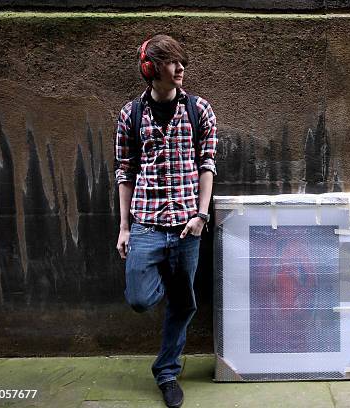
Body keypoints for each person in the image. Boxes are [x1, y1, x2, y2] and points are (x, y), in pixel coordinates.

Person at [114, 34, 218, 408]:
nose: (181, 69)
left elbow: (207, 165)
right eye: (172, 63)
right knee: (141, 299)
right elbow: (124, 172)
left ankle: (167, 372)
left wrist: (201, 215)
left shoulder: (200, 110)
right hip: (145, 226)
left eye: (181, 62)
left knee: (183, 304)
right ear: (151, 69)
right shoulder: (131, 114)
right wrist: (125, 227)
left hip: (188, 227)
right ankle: (165, 281)